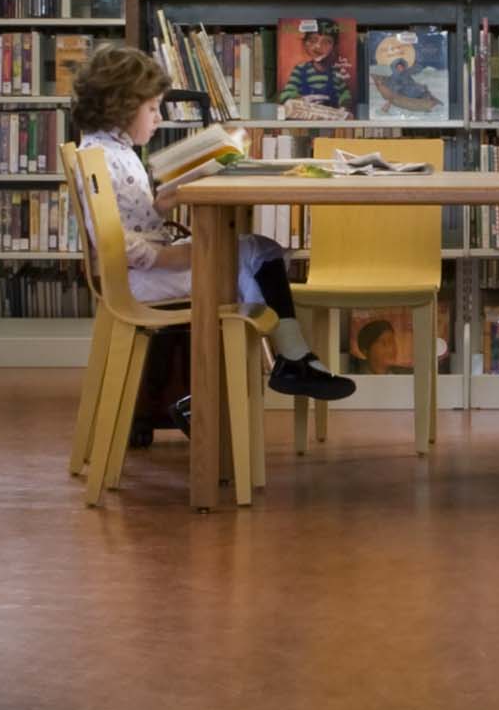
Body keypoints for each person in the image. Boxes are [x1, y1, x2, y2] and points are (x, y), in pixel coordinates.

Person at [74, 43, 351, 433]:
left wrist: (167, 199)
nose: (159, 118)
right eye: (152, 108)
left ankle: (286, 361)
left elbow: (133, 216)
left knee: (256, 253)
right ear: (120, 106)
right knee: (252, 257)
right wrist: (178, 257)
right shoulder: (101, 159)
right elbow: (116, 242)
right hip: (140, 279)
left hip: (145, 270)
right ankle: (285, 362)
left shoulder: (115, 150)